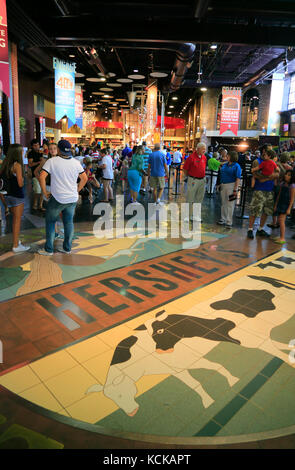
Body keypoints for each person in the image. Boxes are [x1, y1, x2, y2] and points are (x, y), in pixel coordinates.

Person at [38, 139, 87, 255]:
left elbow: (41, 176)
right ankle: (67, 248)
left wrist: (45, 192)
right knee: (68, 222)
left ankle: (49, 249)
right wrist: (77, 189)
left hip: (57, 198)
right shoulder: (76, 162)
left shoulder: (52, 161)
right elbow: (84, 178)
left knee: (50, 222)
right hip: (72, 198)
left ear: (59, 149)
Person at [0, 144, 30, 253]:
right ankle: (16, 245)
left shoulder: (4, 164)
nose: (23, 152)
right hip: (17, 196)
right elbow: (20, 184)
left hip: (7, 196)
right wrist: (22, 177)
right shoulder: (17, 165)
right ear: (17, 153)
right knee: (17, 221)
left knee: (13, 220)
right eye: (21, 151)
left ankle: (16, 241)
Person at [247, 145, 279, 239]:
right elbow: (255, 174)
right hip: (259, 189)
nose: (271, 151)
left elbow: (277, 173)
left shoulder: (272, 161)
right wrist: (268, 177)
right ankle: (250, 229)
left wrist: (266, 178)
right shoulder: (257, 161)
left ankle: (260, 229)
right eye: (270, 149)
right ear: (264, 151)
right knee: (255, 210)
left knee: (266, 210)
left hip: (269, 189)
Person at [183, 142, 207, 222]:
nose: (204, 150)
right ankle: (187, 216)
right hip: (193, 179)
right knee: (190, 197)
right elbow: (185, 169)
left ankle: (196, 216)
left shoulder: (204, 157)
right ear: (198, 149)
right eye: (203, 149)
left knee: (199, 199)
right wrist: (189, 177)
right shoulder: (191, 157)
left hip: (202, 180)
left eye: (205, 149)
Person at [217, 151, 241, 228]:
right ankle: (223, 219)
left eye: (228, 155)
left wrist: (235, 189)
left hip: (232, 185)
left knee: (230, 204)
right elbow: (220, 170)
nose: (226, 156)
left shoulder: (237, 166)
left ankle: (229, 221)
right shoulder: (225, 164)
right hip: (223, 185)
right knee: (223, 203)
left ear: (232, 156)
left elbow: (238, 178)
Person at [271, 170, 295, 244]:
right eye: (286, 174)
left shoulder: (292, 186)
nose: (286, 176)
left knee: (281, 221)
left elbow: (292, 199)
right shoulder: (282, 184)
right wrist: (276, 205)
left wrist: (289, 209)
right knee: (280, 220)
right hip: (280, 203)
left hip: (286, 205)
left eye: (289, 175)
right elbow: (279, 195)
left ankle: (282, 238)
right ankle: (281, 236)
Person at [27, 139, 44, 210]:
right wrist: (39, 163)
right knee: (37, 190)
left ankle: (40, 205)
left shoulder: (41, 152)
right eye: (35, 145)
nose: (36, 146)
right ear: (32, 146)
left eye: (37, 145)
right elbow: (30, 164)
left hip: (43, 173)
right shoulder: (31, 153)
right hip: (35, 174)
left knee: (43, 190)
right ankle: (35, 204)